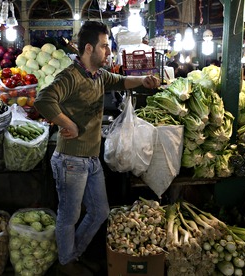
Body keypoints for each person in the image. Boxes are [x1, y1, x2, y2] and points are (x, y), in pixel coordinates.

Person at [34, 21, 160, 275]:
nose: (108, 51)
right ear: (89, 48)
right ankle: (66, 262)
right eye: (104, 46)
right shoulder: (70, 76)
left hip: (90, 159)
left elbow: (121, 81)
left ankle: (74, 253)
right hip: (71, 159)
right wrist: (67, 123)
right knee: (68, 217)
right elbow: (43, 100)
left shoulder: (99, 76)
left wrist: (144, 80)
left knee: (100, 211)